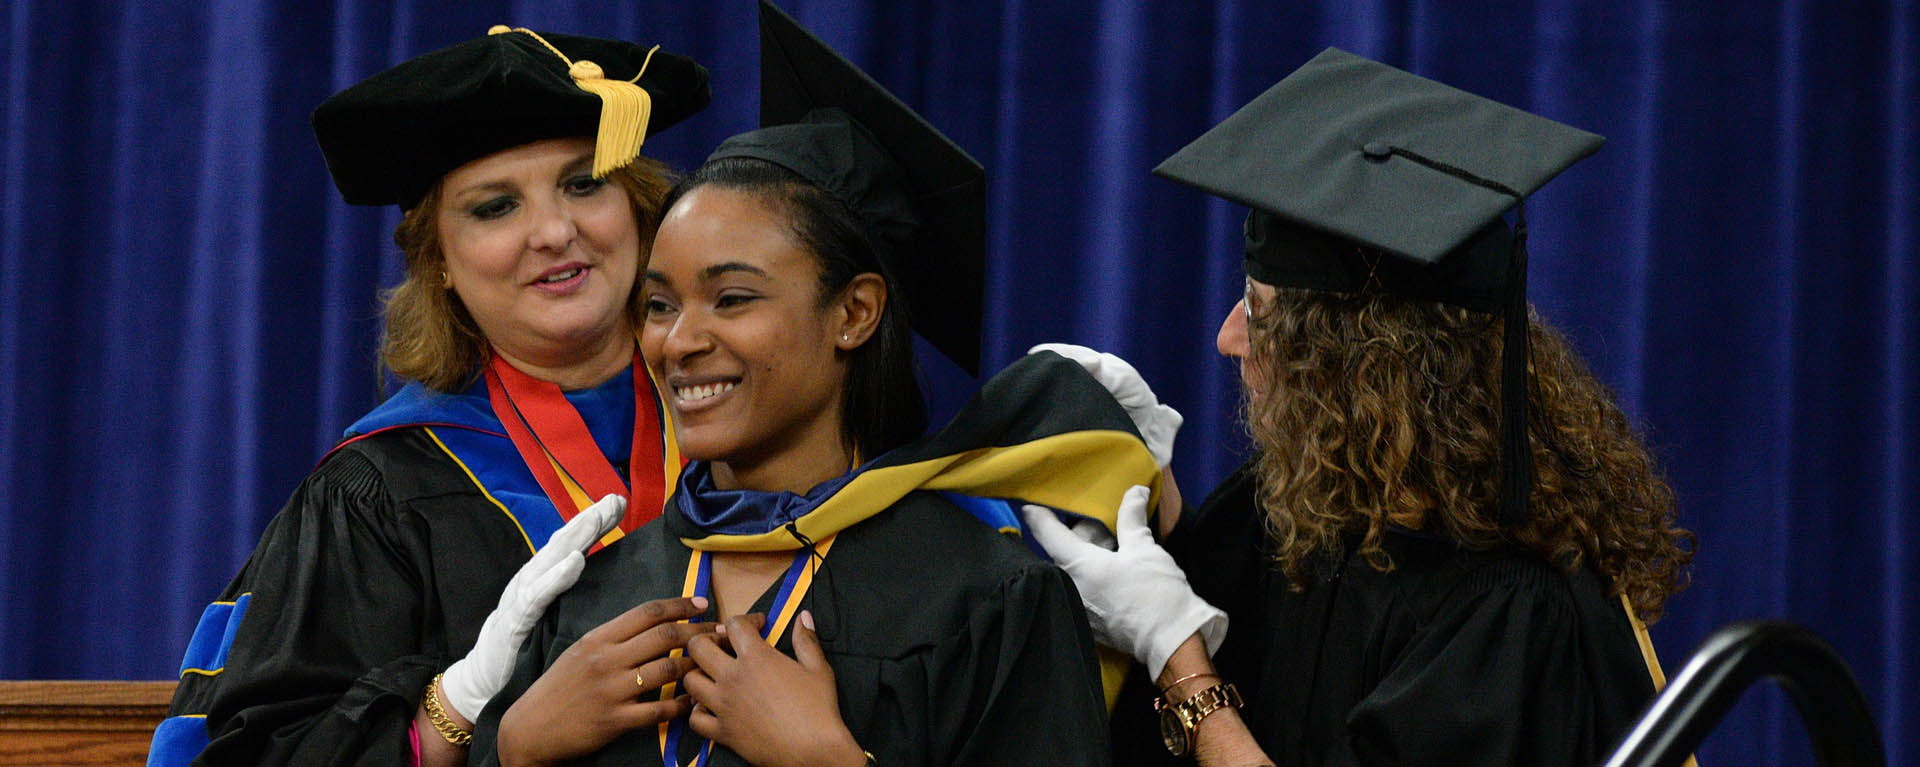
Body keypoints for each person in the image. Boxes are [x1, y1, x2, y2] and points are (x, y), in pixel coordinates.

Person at [467, 4, 1155, 766]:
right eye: (659, 304)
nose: (679, 340)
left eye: (732, 298)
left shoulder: (984, 599)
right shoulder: (605, 595)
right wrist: (517, 747)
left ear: (854, 312)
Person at [1026, 48, 1695, 766]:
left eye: (1260, 311)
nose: (1226, 338)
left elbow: (1193, 651)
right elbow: (1223, 605)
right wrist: (1150, 497)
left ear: (1361, 368)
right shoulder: (1317, 502)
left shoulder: (1511, 611)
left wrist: (1181, 666)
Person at [147, 27, 711, 767]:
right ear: (438, 261)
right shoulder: (379, 494)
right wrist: (460, 708)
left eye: (583, 183)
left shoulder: (753, 425)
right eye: (494, 207)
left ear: (638, 207)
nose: (554, 231)